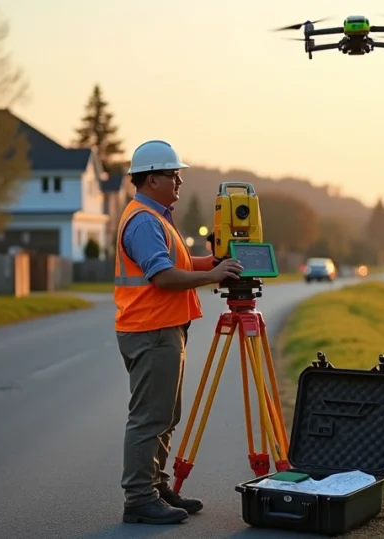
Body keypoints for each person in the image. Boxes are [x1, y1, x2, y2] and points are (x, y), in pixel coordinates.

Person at [114, 140, 244, 525]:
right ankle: (139, 498)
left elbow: (179, 263)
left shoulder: (157, 217)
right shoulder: (142, 221)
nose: (179, 181)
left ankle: (156, 486)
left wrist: (214, 262)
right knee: (150, 417)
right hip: (150, 330)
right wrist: (211, 276)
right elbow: (163, 275)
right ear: (152, 178)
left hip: (163, 329)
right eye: (173, 175)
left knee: (167, 414)